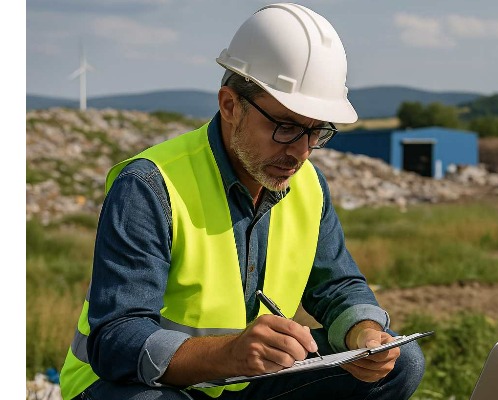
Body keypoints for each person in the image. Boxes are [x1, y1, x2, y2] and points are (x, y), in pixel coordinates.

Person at [59, 3, 426, 399]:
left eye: (316, 132)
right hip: (138, 386)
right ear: (230, 105)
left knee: (402, 362)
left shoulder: (307, 184)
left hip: (240, 383)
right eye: (285, 127)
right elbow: (116, 338)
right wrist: (229, 354)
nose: (301, 151)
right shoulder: (149, 185)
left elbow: (337, 286)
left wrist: (365, 334)